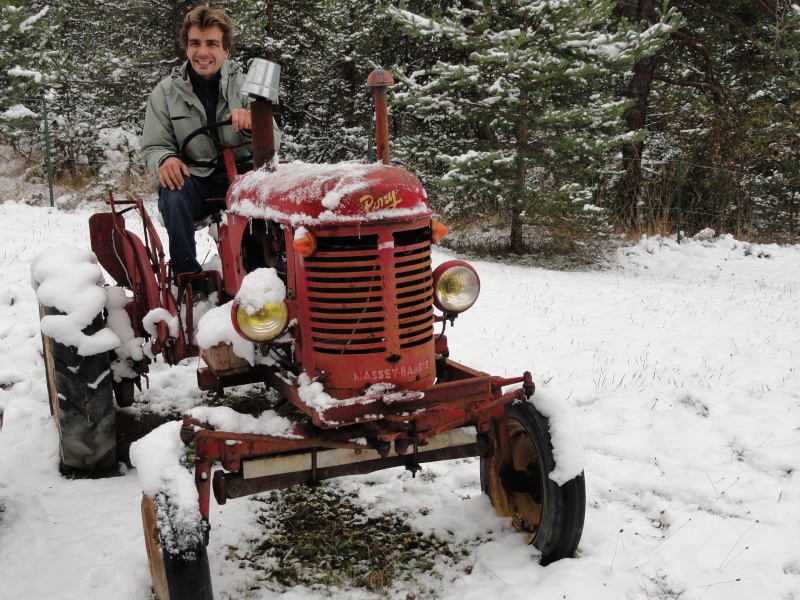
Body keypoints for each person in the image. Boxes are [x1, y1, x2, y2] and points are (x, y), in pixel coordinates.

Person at [141, 5, 279, 286]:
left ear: (226, 49)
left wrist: (255, 122)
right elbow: (154, 145)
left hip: (241, 178)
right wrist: (165, 158)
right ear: (186, 47)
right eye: (196, 43)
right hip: (196, 180)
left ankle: (266, 275)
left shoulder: (247, 87)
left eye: (212, 44)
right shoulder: (165, 93)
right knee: (172, 190)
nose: (203, 52)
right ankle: (188, 276)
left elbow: (274, 142)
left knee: (275, 197)